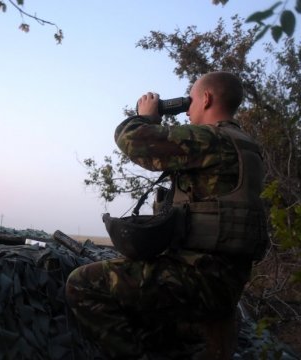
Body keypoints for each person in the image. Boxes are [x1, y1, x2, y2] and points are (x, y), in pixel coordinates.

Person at [65, 71, 269, 359]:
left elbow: (133, 140)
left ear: (207, 98)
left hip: (199, 276)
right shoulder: (246, 146)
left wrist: (147, 117)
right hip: (225, 279)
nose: (187, 109)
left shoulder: (212, 140)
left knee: (82, 283)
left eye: (192, 100)